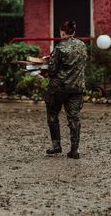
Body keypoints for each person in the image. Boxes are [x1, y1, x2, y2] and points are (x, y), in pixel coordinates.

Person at [44, 20, 88, 159]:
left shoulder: (60, 48)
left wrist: (48, 62)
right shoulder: (82, 45)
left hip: (59, 88)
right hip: (77, 87)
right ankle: (75, 150)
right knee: (74, 117)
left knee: (52, 114)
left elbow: (52, 71)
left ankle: (56, 146)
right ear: (73, 32)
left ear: (62, 32)